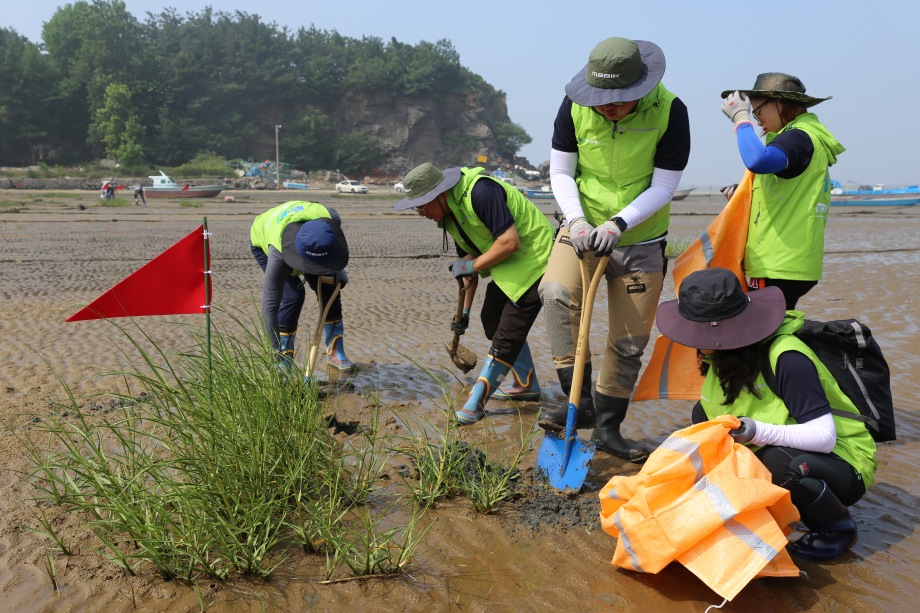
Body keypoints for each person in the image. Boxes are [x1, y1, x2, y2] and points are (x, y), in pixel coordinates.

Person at [656, 267, 877, 561]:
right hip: (785, 445)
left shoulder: (787, 358)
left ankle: (835, 528)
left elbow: (824, 437)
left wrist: (756, 430)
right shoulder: (720, 356)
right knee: (701, 419)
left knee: (778, 464)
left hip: (842, 459)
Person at [537, 37, 691, 462]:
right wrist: (578, 220)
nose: (607, 107)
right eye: (600, 99)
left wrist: (619, 223)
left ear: (641, 88)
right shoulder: (572, 107)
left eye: (618, 101)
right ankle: (579, 401)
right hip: (581, 227)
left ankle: (608, 429)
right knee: (554, 295)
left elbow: (664, 185)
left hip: (639, 236)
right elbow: (562, 171)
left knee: (629, 340)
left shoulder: (671, 112)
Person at [395, 163, 554, 425]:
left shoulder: (482, 192)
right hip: (509, 264)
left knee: (507, 335)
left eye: (423, 205)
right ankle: (526, 384)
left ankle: (475, 403)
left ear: (441, 194)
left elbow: (509, 242)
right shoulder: (450, 216)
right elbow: (467, 266)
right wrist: (464, 314)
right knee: (491, 318)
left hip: (537, 259)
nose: (421, 213)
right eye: (417, 207)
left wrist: (469, 265)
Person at [720, 73, 845, 310]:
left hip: (778, 264)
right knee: (773, 328)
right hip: (793, 263)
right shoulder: (804, 139)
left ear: (780, 103)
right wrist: (742, 193)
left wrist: (740, 117)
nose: (757, 120)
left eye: (757, 111)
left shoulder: (798, 138)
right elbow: (786, 192)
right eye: (753, 113)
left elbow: (757, 159)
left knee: (765, 335)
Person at [250, 201, 354, 377]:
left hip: (306, 237)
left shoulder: (332, 219)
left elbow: (332, 244)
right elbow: (269, 309)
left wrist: (338, 269)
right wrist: (275, 354)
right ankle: (285, 359)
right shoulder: (277, 253)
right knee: (293, 296)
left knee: (329, 290)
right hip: (266, 238)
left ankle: (336, 353)